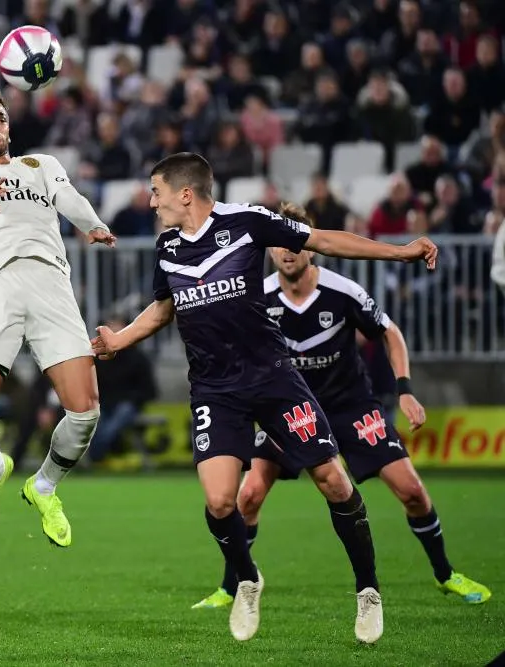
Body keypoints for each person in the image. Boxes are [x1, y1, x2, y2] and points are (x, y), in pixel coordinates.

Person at [91, 152, 438, 644]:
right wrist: (119, 340)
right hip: (214, 388)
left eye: (156, 192)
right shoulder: (167, 244)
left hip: (273, 379)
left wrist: (399, 251)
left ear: (185, 194)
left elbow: (323, 241)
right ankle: (248, 579)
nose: (151, 201)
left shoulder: (247, 221)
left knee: (334, 483)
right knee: (219, 500)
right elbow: (163, 309)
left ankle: (368, 590)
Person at [192, 203, 491, 610]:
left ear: (308, 246)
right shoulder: (257, 297)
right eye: (278, 245)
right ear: (270, 251)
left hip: (349, 406)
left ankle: (445, 574)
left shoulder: (343, 291)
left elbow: (390, 333)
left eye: (293, 242)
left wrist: (403, 388)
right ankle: (233, 586)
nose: (287, 251)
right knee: (248, 496)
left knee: (412, 492)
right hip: (288, 410)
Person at [0, 87, 116, 548]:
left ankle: (44, 487)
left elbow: (68, 196)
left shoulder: (40, 166)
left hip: (51, 284)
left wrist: (92, 224)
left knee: (86, 411)